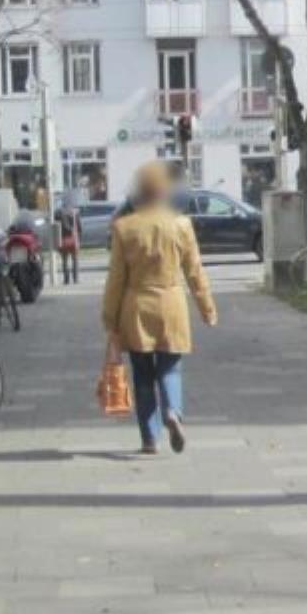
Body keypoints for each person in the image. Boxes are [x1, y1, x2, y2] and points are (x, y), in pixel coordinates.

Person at [101, 162, 216, 455]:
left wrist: (110, 318)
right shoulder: (182, 225)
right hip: (171, 305)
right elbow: (195, 272)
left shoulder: (124, 228)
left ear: (141, 190)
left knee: (142, 374)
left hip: (136, 307)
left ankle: (149, 439)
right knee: (170, 368)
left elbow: (116, 279)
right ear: (166, 189)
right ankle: (172, 412)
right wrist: (207, 308)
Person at [56, 200, 82, 284]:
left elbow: (57, 227)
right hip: (74, 239)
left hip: (63, 239)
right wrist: (79, 239)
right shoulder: (75, 213)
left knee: (64, 260)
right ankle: (75, 279)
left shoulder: (59, 214)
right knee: (75, 260)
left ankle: (66, 279)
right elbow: (79, 228)